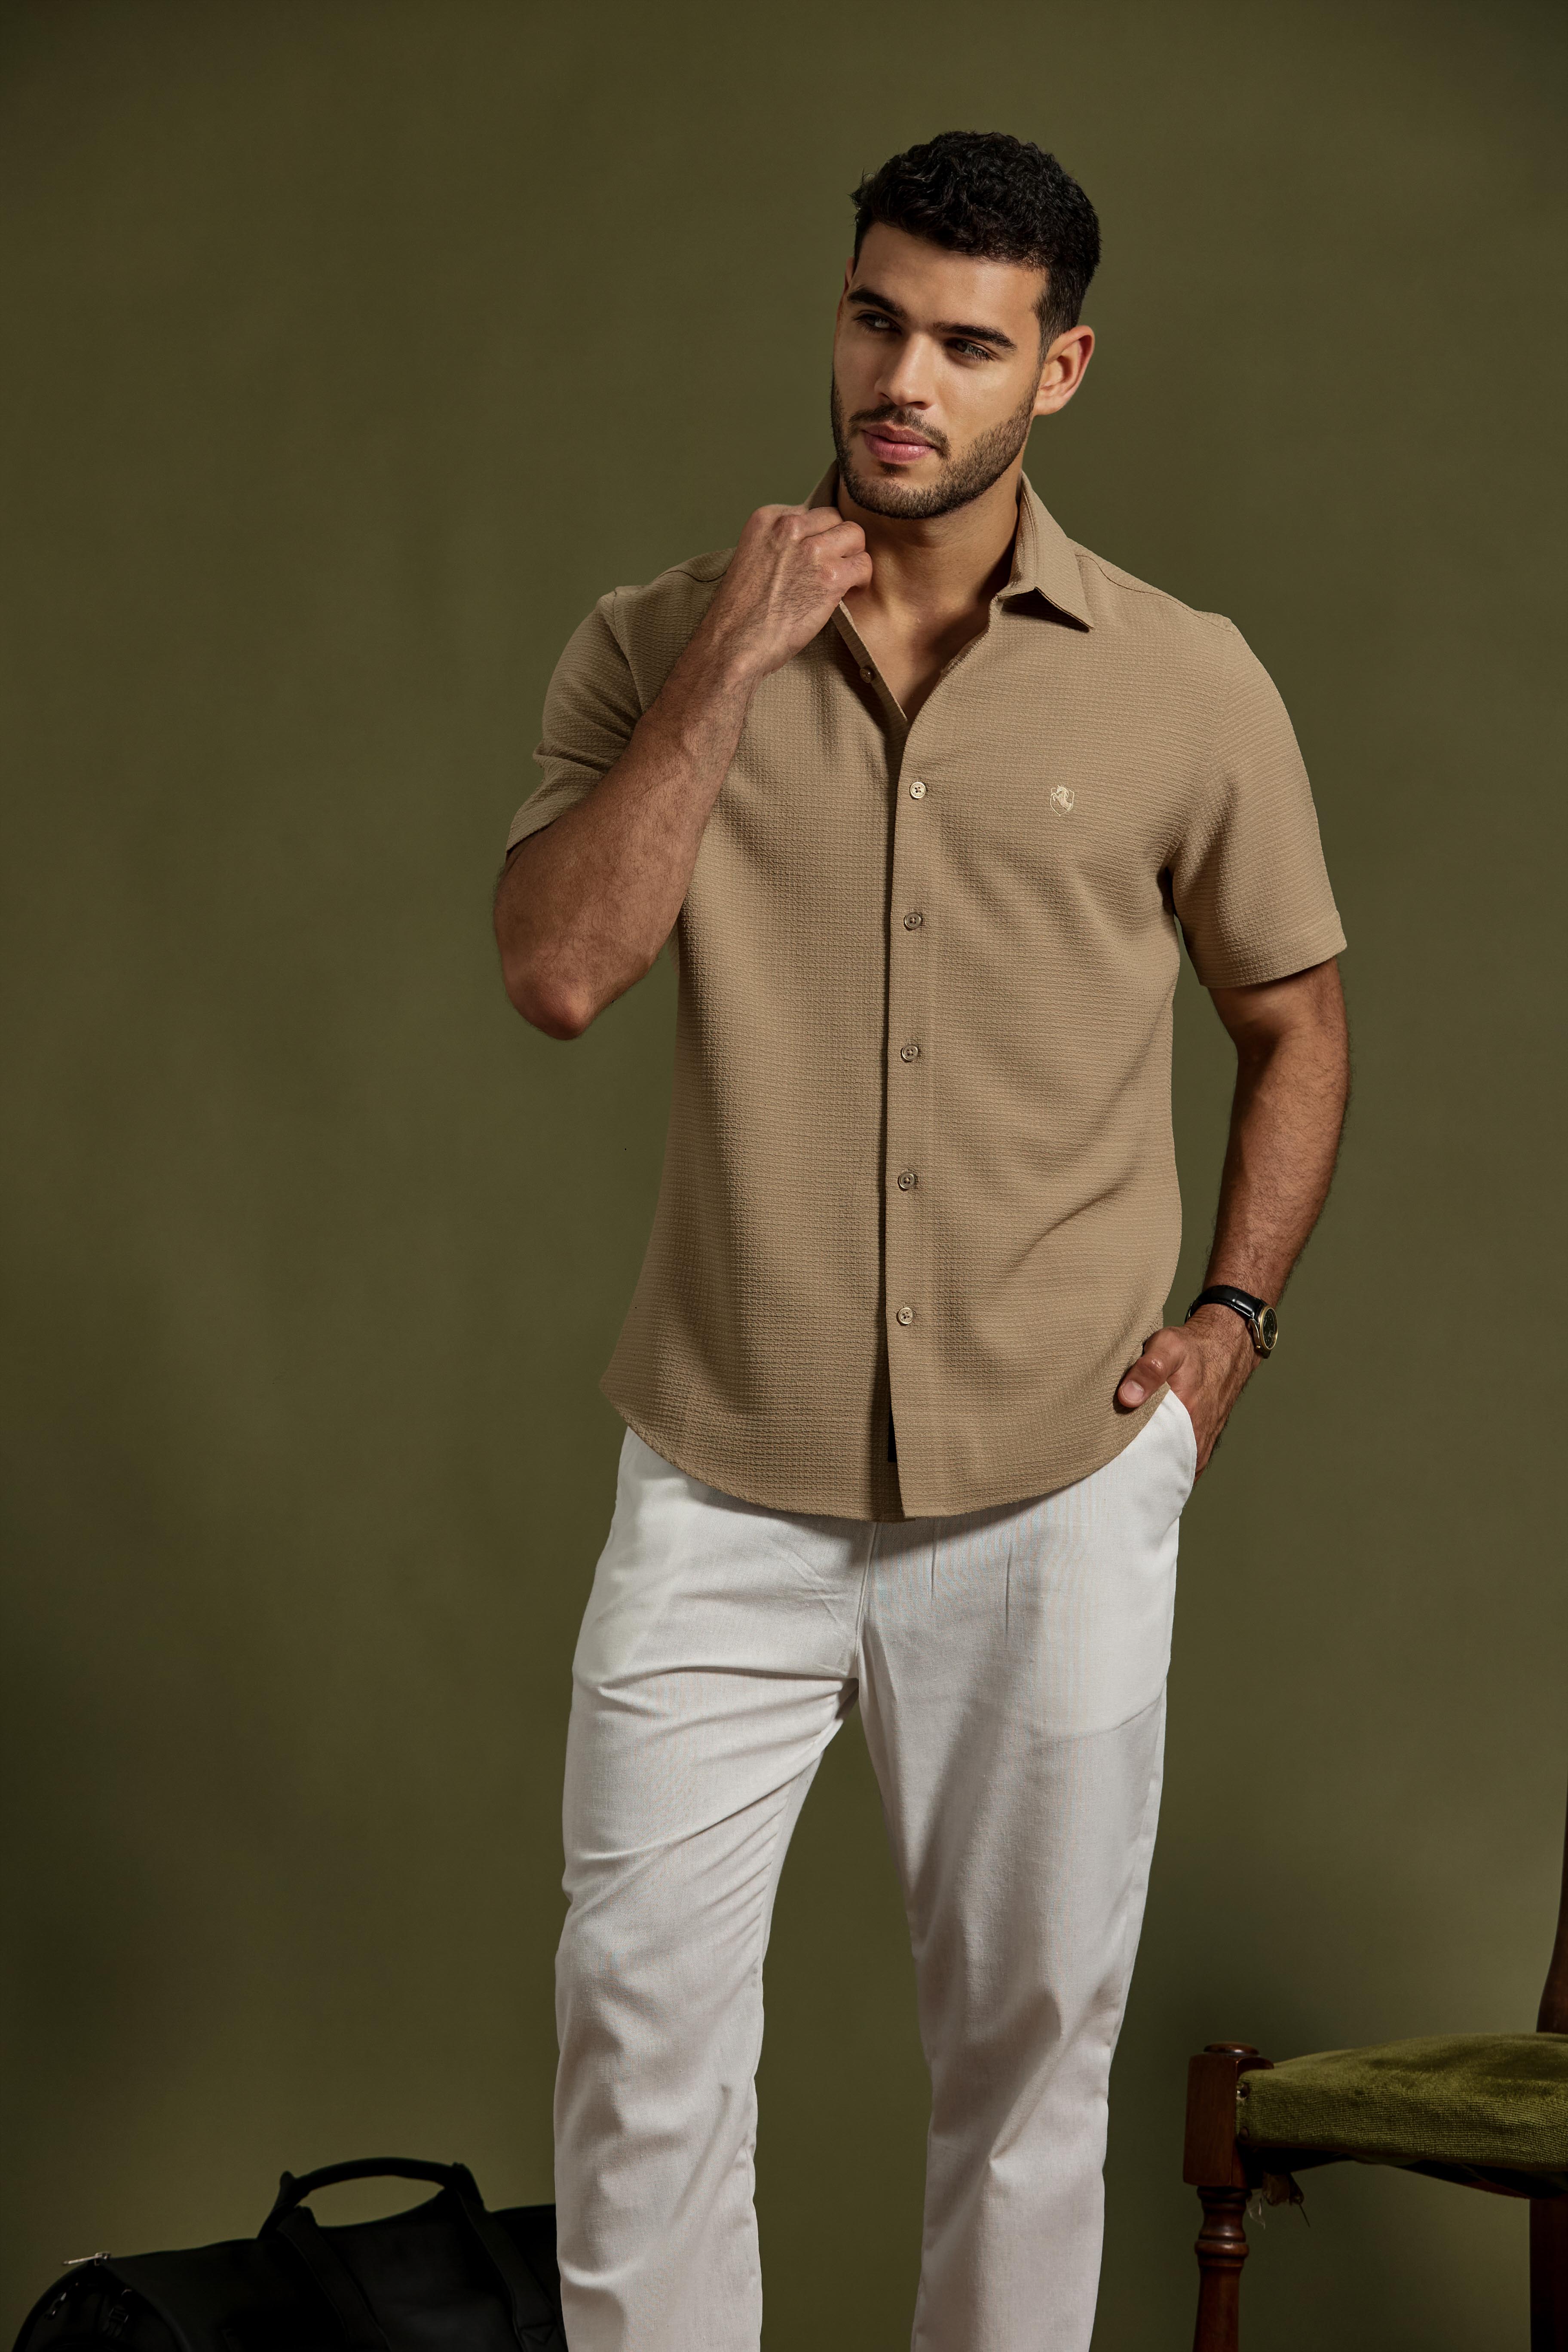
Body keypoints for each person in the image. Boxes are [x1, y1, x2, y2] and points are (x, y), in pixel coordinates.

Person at [493, 129, 1349, 2352]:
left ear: (1059, 370)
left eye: (968, 344)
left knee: (1028, 2081)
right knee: (638, 2051)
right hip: (720, 1472)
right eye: (877, 320)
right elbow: (561, 969)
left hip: (1059, 1483)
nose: (904, 380)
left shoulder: (1186, 680)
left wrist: (1230, 1328)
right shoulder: (656, 639)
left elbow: (1297, 1019)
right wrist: (735, 658)